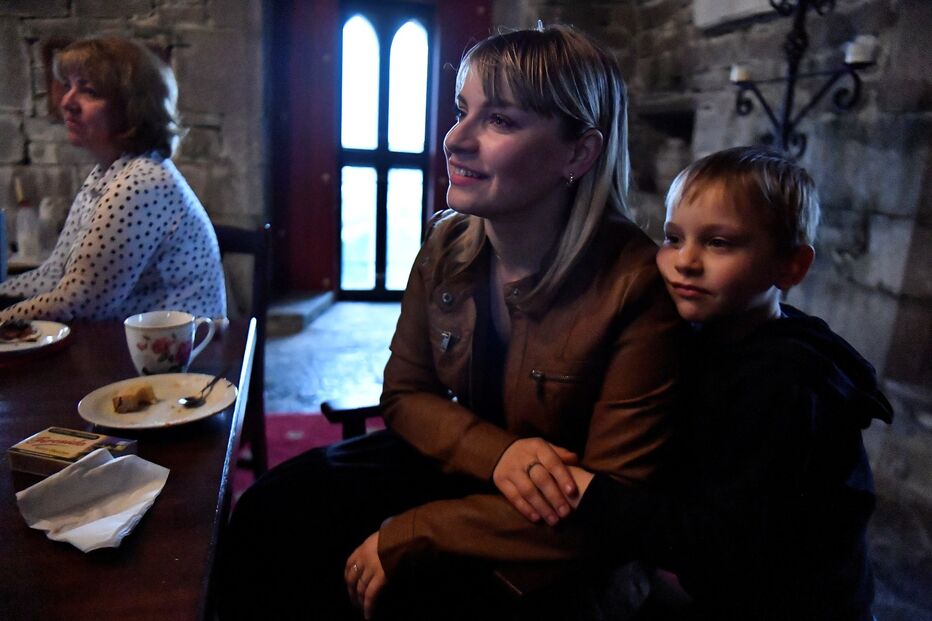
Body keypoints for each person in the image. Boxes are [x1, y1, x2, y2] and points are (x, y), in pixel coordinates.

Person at [221, 24, 681, 620]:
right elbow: (405, 392)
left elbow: (616, 508)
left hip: (562, 522)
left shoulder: (637, 286)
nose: (455, 139)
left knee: (412, 596)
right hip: (467, 466)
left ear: (579, 152)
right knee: (272, 510)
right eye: (463, 110)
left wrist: (412, 532)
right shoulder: (446, 242)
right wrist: (497, 454)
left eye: (500, 121)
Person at [566, 146, 893, 620]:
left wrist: (591, 494)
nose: (686, 261)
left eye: (719, 243)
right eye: (673, 238)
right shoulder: (716, 335)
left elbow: (722, 539)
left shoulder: (784, 382)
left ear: (791, 266)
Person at [0, 37, 226, 322]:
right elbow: (54, 273)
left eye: (89, 91)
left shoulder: (143, 181)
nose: (66, 101)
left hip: (177, 355)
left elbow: (78, 303)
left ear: (132, 108)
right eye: (68, 86)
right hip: (121, 346)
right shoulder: (107, 173)